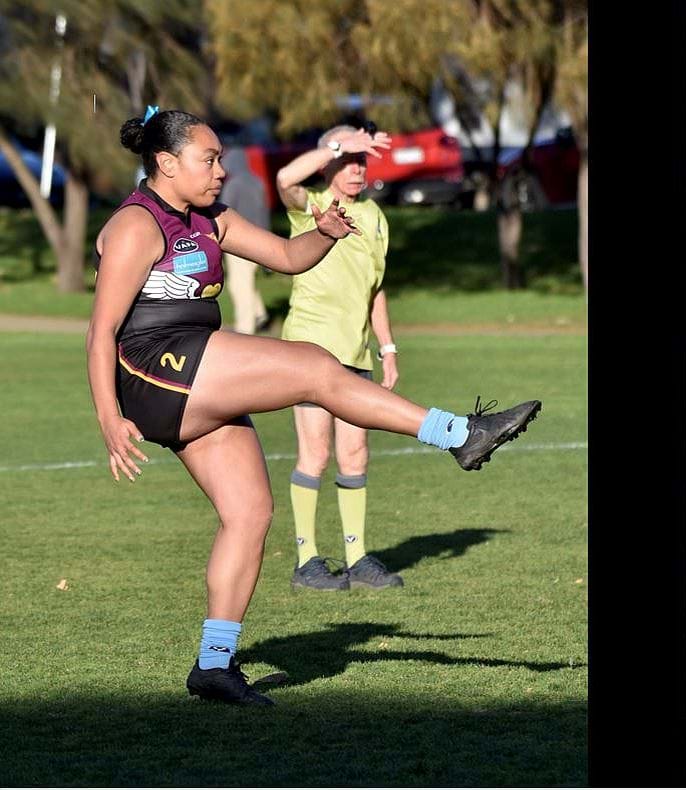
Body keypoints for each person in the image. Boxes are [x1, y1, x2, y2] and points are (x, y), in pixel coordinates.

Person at [88, 107, 541, 706]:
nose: (223, 169)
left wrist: (324, 233)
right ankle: (458, 432)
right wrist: (108, 418)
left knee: (250, 514)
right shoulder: (135, 226)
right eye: (210, 159)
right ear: (166, 164)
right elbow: (101, 333)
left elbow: (286, 256)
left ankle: (215, 666)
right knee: (313, 366)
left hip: (194, 372)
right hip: (153, 368)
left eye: (222, 157)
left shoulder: (210, 218)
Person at [274, 123, 405, 591]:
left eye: (361, 160)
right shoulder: (311, 206)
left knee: (356, 452)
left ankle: (358, 558)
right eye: (348, 160)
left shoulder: (373, 216)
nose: (356, 169)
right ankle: (306, 561)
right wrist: (335, 144)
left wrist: (387, 348)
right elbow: (284, 179)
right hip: (310, 350)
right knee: (316, 452)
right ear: (328, 161)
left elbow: (377, 288)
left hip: (356, 352)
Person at [218, 147, 271, 335]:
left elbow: (223, 214)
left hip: (239, 244)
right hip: (260, 241)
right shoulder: (257, 182)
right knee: (247, 282)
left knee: (239, 286)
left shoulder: (233, 186)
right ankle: (260, 314)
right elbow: (265, 213)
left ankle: (245, 329)